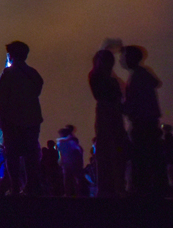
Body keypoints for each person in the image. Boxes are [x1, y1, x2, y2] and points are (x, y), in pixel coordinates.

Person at [0, 40, 44, 195]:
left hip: (12, 121)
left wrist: (3, 119)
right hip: (32, 120)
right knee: (30, 156)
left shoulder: (7, 74)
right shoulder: (34, 74)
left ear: (10, 55)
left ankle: (15, 187)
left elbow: (1, 99)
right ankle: (32, 186)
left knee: (12, 155)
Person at [120, 45, 163, 195]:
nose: (121, 60)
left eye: (124, 57)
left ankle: (141, 193)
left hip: (141, 123)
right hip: (150, 122)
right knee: (152, 157)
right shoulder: (143, 74)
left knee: (140, 159)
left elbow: (131, 104)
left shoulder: (136, 77)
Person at [88, 46, 127, 196]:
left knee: (106, 150)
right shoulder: (108, 80)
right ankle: (115, 186)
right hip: (111, 115)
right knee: (113, 150)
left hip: (107, 114)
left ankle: (107, 187)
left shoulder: (98, 78)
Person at [55, 125, 85, 196]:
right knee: (76, 179)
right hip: (74, 163)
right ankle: (79, 193)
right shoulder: (72, 142)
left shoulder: (60, 143)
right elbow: (79, 152)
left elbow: (60, 154)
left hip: (66, 164)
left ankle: (69, 193)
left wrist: (60, 162)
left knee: (67, 180)